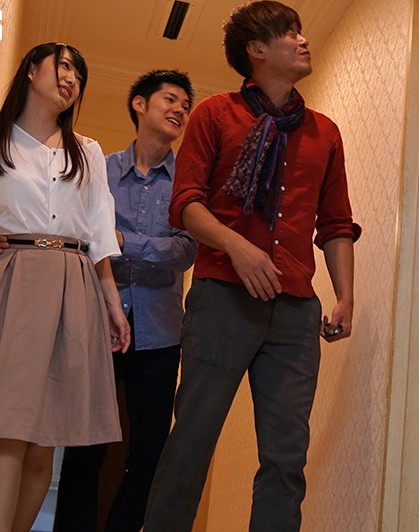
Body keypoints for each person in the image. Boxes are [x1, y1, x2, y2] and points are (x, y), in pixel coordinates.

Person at [142, 2, 361, 530]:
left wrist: (345, 296)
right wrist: (237, 246)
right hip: (221, 298)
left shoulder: (325, 133)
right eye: (289, 32)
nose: (302, 40)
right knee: (192, 439)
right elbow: (185, 203)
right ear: (257, 50)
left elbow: (335, 222)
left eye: (300, 31)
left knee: (286, 457)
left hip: (296, 310)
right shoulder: (215, 114)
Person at [0, 70, 197, 531]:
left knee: (148, 454)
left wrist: (121, 240)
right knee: (82, 448)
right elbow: (57, 221)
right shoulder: (96, 166)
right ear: (139, 104)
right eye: (170, 99)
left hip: (159, 334)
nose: (180, 110)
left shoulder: (188, 183)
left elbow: (185, 250)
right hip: (93, 321)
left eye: (185, 105)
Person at [0, 43, 130, 532]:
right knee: (8, 427)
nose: (71, 79)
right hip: (13, 282)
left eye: (79, 74)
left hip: (74, 285)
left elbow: (99, 235)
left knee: (47, 437)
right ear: (32, 71)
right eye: (64, 66)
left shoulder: (89, 152)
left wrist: (112, 305)